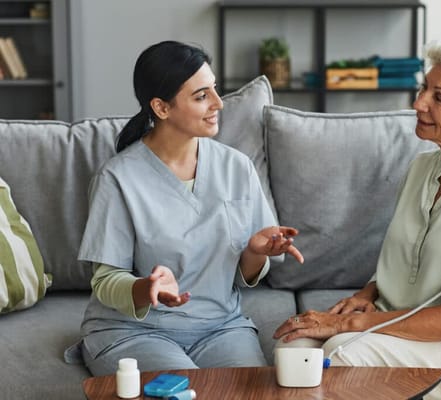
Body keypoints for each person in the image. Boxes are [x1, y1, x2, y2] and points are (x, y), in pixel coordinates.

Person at [273, 36, 441, 399]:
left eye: (438, 97)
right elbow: (408, 255)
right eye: (423, 89)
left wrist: (347, 323)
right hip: (400, 315)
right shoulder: (422, 169)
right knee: (291, 349)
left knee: (343, 354)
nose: (418, 103)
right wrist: (369, 292)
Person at [70, 40, 303, 376]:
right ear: (161, 108)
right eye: (201, 96)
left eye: (215, 90)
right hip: (134, 332)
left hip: (221, 328)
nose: (219, 104)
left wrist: (255, 252)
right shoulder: (118, 178)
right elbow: (106, 281)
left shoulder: (237, 167)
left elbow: (245, 273)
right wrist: (146, 288)